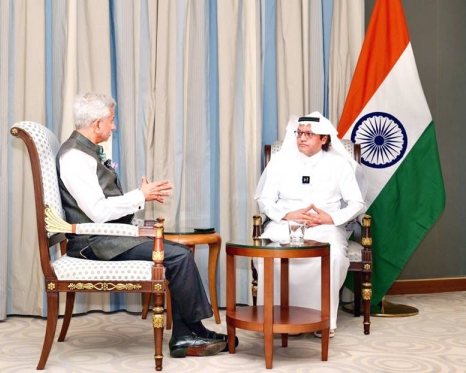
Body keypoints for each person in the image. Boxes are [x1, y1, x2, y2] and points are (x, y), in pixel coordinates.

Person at [56, 92, 237, 358]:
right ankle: (189, 333)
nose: (113, 126)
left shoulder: (85, 152)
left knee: (178, 254)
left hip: (104, 236)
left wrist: (138, 198)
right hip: (93, 243)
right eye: (111, 120)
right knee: (178, 256)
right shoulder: (74, 157)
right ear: (96, 124)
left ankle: (189, 332)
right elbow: (97, 212)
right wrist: (140, 196)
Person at [254, 111, 367, 336]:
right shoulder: (280, 162)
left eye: (309, 134)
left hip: (326, 228)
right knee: (266, 257)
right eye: (299, 133)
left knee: (333, 256)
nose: (302, 138)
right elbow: (264, 200)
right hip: (285, 225)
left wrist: (331, 218)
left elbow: (357, 203)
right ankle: (275, 318)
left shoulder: (339, 164)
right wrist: (288, 214)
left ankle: (322, 320)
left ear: (324, 139)